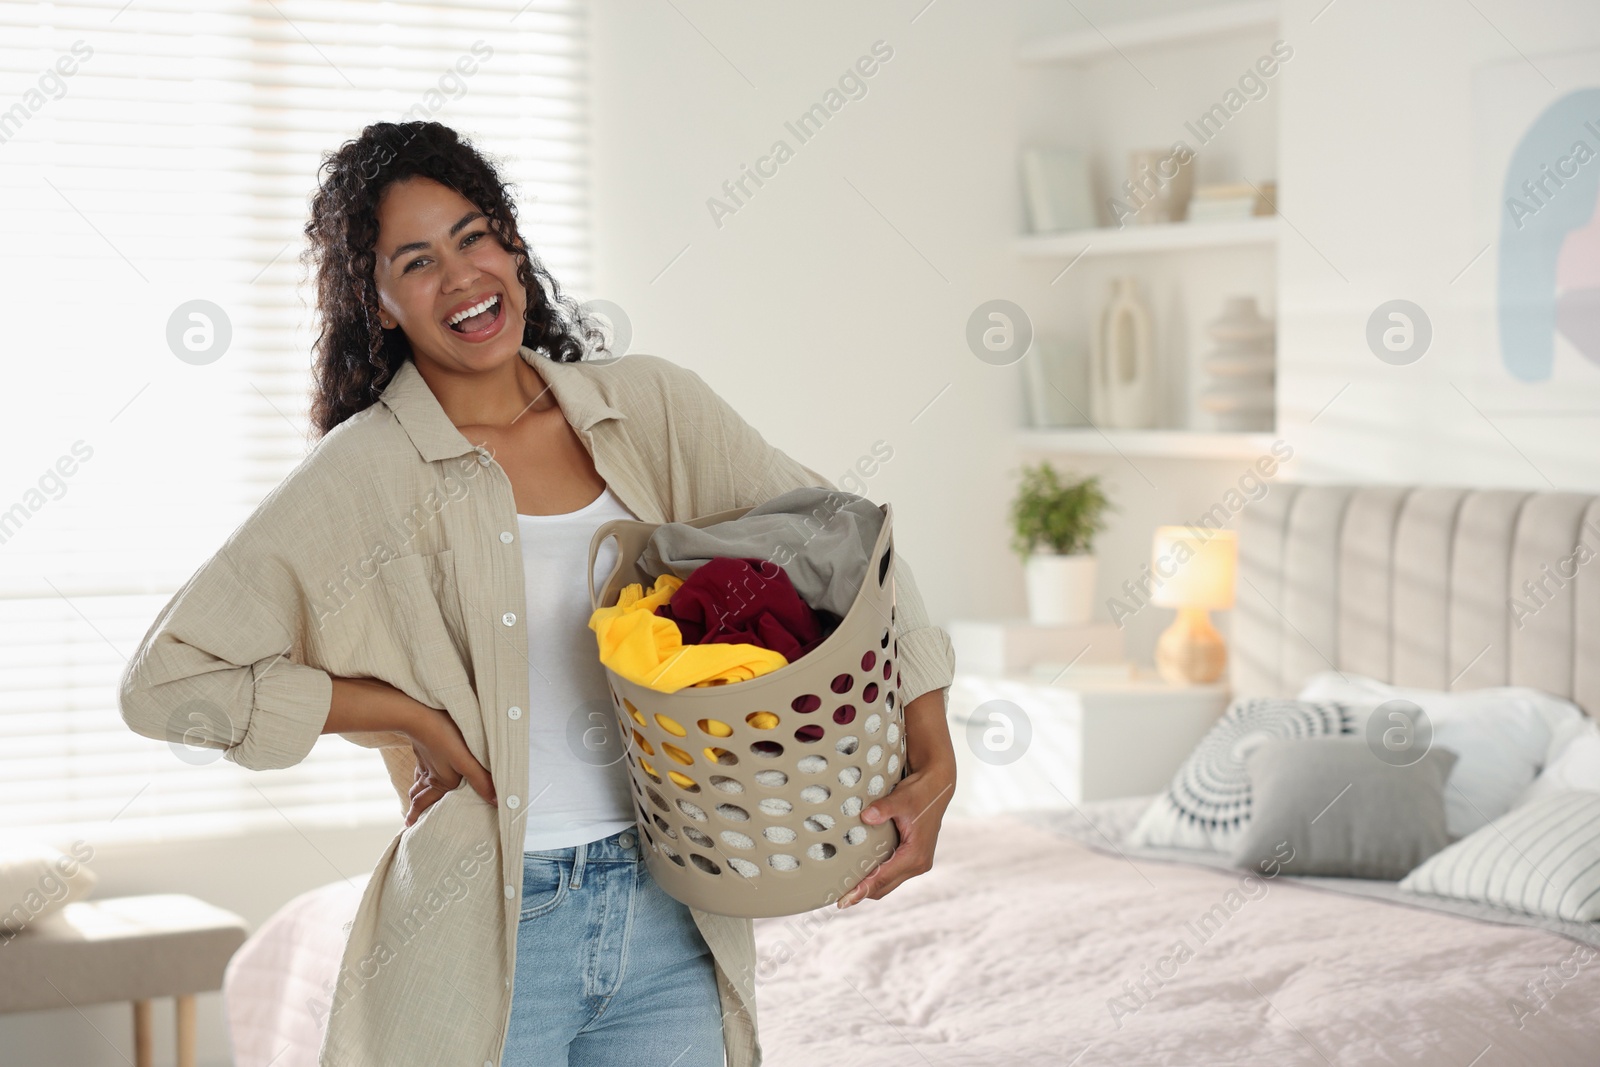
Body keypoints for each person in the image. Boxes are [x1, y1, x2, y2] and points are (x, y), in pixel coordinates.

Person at [118, 120, 957, 1067]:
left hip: (674, 911)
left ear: (514, 248)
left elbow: (850, 542)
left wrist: (935, 749)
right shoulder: (363, 474)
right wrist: (407, 717)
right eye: (418, 260)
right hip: (482, 933)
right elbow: (165, 684)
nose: (463, 275)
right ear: (380, 302)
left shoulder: (650, 410)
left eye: (475, 236)